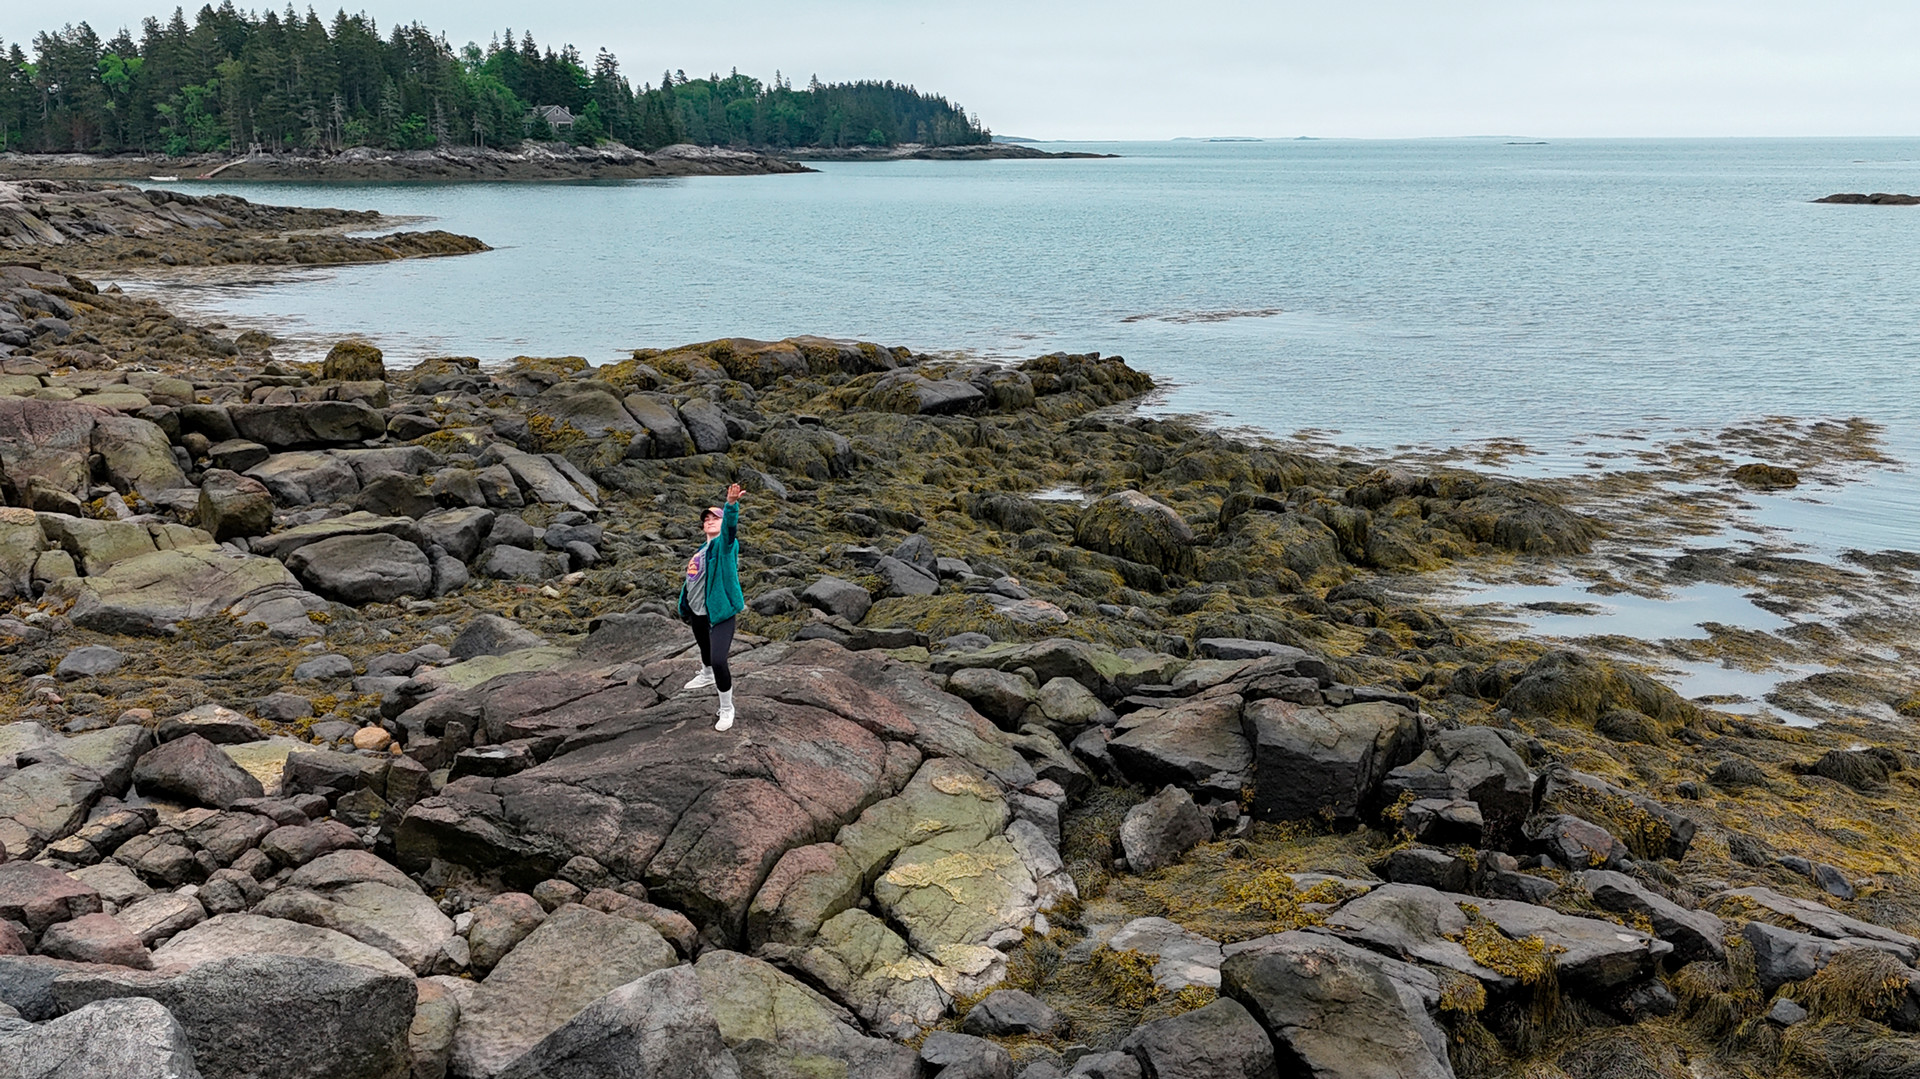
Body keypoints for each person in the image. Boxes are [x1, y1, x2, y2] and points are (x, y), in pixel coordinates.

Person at [679, 483, 745, 730]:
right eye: (706, 519)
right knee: (706, 655)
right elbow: (692, 579)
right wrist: (684, 604)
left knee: (719, 660)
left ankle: (726, 708)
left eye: (713, 517)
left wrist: (730, 506)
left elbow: (729, 529)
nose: (709, 521)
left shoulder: (724, 546)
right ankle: (705, 674)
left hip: (720, 613)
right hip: (698, 613)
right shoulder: (700, 550)